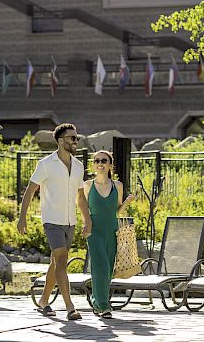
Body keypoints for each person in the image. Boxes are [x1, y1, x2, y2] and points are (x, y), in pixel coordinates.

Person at [17, 123, 91, 321]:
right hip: (52, 221)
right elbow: (30, 190)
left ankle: (43, 301)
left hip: (70, 221)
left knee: (56, 263)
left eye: (77, 138)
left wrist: (87, 220)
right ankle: (69, 307)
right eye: (72, 138)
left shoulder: (78, 166)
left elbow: (81, 197)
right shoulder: (46, 164)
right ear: (60, 141)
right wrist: (22, 216)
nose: (76, 141)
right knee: (61, 260)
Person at [83, 150, 135, 318]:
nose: (100, 163)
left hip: (112, 230)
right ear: (93, 165)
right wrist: (86, 224)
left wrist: (127, 202)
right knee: (101, 266)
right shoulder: (87, 186)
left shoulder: (117, 186)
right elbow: (82, 208)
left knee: (107, 269)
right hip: (94, 230)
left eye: (104, 160)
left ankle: (97, 302)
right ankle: (103, 305)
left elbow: (118, 211)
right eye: (97, 160)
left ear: (110, 165)